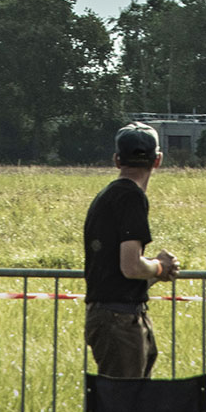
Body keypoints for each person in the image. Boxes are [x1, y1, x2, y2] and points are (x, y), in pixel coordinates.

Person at [82, 122, 179, 378]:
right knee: (123, 407)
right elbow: (131, 266)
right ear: (157, 160)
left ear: (116, 159)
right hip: (120, 320)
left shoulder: (108, 196)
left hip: (114, 315)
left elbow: (114, 273)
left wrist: (155, 273)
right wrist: (160, 266)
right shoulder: (131, 197)